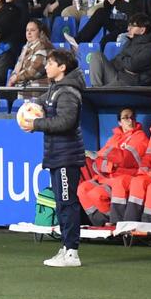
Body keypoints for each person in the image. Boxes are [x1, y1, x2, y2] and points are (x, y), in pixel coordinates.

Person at [20, 45, 87, 268]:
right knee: (61, 203)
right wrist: (31, 106)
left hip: (67, 156)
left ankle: (72, 253)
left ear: (62, 67)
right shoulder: (57, 88)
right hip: (57, 154)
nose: (46, 67)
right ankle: (66, 248)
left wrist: (36, 123)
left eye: (50, 63)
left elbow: (66, 122)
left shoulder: (68, 92)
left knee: (67, 203)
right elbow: (43, 100)